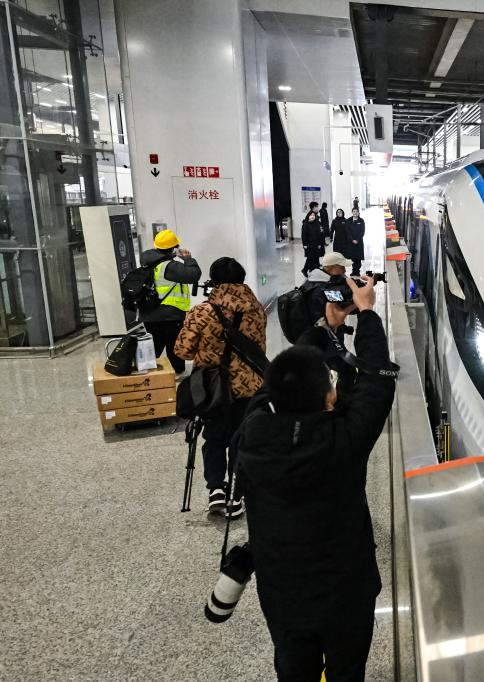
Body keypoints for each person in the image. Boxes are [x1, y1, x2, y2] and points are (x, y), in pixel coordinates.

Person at [236, 276, 395, 681]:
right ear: (329, 399)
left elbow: (282, 378)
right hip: (346, 591)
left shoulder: (252, 432)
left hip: (283, 592)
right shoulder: (343, 440)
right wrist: (367, 313)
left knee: (294, 669)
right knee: (347, 671)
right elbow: (377, 380)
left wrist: (326, 327)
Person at [174, 257, 267, 517]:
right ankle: (236, 494)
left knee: (214, 438)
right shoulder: (257, 310)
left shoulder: (202, 312)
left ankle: (216, 489)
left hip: (214, 387)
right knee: (242, 440)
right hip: (250, 387)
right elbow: (259, 349)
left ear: (214, 281)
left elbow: (182, 351)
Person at [139, 229, 202, 378]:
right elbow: (193, 275)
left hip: (149, 312)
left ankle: (146, 373)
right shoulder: (169, 266)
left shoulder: (147, 262)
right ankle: (176, 372)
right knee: (174, 345)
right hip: (170, 313)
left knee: (154, 345)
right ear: (174, 247)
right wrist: (188, 259)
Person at [301, 209, 326, 278]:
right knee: (310, 258)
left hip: (316, 244)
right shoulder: (305, 224)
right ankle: (305, 270)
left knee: (315, 257)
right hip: (308, 244)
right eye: (311, 215)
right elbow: (303, 235)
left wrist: (319, 244)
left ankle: (313, 270)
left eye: (314, 215)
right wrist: (304, 244)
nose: (312, 216)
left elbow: (319, 235)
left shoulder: (316, 224)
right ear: (308, 216)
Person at [345, 207, 366, 277]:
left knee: (358, 257)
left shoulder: (361, 220)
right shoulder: (348, 220)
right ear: (352, 212)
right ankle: (354, 271)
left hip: (359, 242)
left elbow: (362, 231)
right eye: (354, 211)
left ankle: (357, 271)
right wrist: (352, 240)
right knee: (353, 257)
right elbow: (347, 231)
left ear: (358, 213)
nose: (355, 213)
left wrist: (357, 240)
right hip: (351, 242)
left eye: (356, 211)